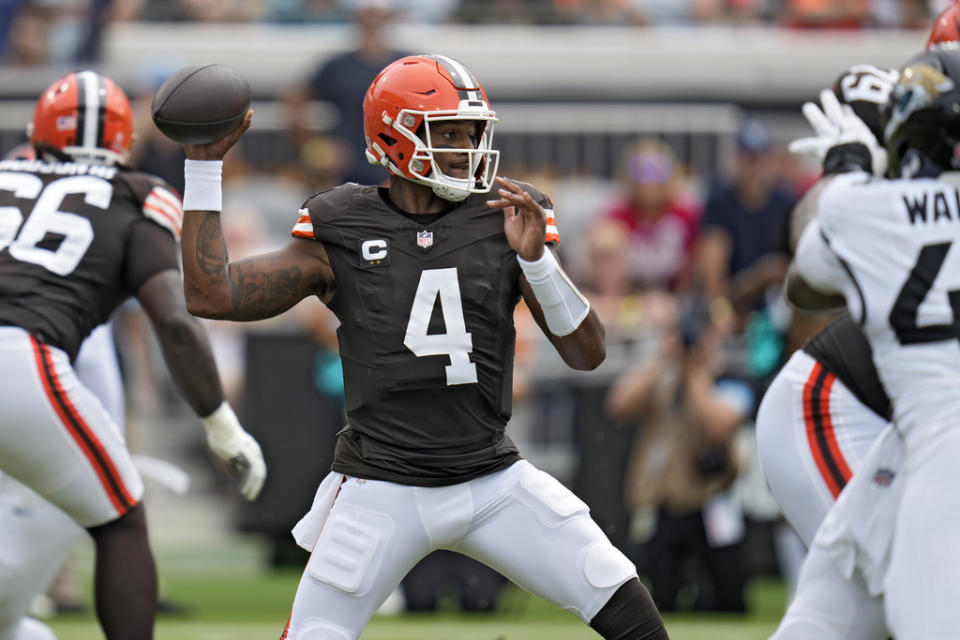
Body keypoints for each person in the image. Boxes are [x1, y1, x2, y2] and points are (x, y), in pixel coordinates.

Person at [177, 54, 668, 640]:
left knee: (622, 600)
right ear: (394, 134)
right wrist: (203, 169)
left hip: (491, 479)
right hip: (381, 485)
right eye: (450, 132)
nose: (467, 146)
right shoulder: (342, 223)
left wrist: (537, 262)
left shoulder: (502, 219)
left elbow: (587, 353)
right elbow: (211, 294)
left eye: (472, 131)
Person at [0, 70, 267, 640]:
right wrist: (221, 425)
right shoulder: (138, 194)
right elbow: (172, 317)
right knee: (119, 518)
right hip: (20, 357)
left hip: (25, 352)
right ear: (123, 141)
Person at [778, 43, 960, 638]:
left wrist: (849, 167)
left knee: (830, 611)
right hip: (913, 444)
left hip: (930, 443)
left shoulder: (864, 211)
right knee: (830, 610)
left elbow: (805, 280)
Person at [606, 301, 754, 613]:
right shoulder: (664, 375)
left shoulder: (731, 377)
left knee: (726, 600)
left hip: (712, 499)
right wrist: (665, 358)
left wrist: (696, 371)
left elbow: (717, 425)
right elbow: (618, 405)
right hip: (667, 501)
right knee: (663, 597)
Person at [285, 0, 408, 186]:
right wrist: (315, 148)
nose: (372, 20)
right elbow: (295, 98)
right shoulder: (339, 66)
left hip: (397, 169)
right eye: (368, 13)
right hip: (349, 171)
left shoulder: (406, 64)